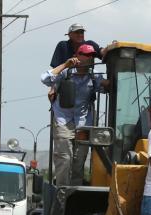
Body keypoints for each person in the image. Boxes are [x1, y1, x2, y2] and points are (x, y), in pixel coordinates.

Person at [41, 43, 109, 186]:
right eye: (86, 55)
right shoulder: (66, 73)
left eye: (91, 56)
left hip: (83, 123)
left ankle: (74, 196)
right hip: (63, 121)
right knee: (65, 159)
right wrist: (65, 65)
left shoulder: (94, 75)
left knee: (79, 161)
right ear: (77, 56)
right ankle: (61, 192)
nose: (89, 58)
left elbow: (106, 85)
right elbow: (45, 78)